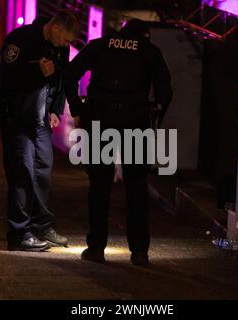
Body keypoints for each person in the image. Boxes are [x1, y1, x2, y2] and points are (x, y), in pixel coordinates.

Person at [63, 19, 173, 265]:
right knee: (137, 187)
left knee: (99, 186)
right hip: (135, 122)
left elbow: (69, 74)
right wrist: (156, 117)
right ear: (143, 35)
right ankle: (140, 251)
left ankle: (96, 248)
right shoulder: (149, 50)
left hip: (99, 121)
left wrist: (77, 108)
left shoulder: (99, 45)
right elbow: (166, 91)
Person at [0, 10, 79, 252]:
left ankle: (41, 225)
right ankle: (19, 232)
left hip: (41, 120)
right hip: (17, 118)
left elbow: (60, 78)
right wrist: (36, 72)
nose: (67, 45)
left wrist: (55, 109)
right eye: (66, 39)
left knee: (42, 171)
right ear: (55, 28)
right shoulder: (20, 39)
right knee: (22, 173)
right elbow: (7, 80)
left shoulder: (58, 48)